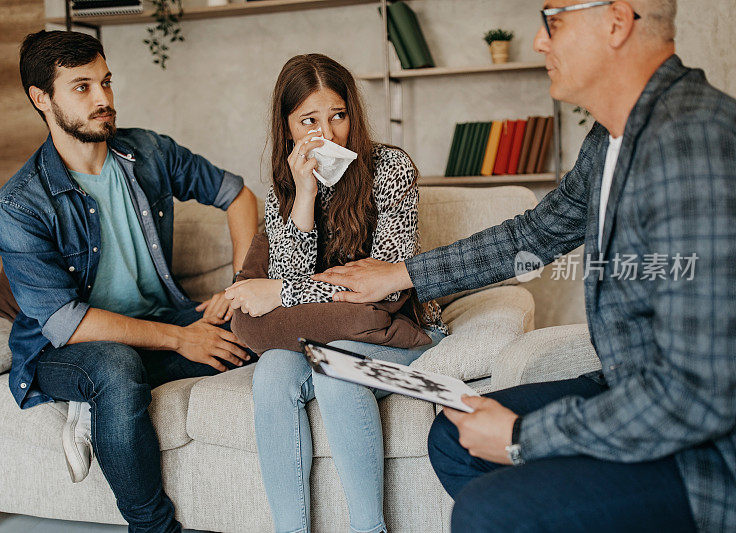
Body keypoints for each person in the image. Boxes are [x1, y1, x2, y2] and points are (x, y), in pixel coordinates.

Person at [314, 1, 736, 531]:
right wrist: (404, 274)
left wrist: (521, 438)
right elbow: (533, 235)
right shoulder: (608, 142)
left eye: (553, 20)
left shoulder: (691, 142)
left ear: (617, 21)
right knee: (454, 436)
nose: (539, 41)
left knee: (488, 512)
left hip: (705, 456)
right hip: (633, 389)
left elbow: (698, 394)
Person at [0, 30, 258, 532]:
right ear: (41, 99)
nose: (103, 99)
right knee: (115, 366)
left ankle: (99, 408)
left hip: (154, 321)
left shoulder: (148, 152)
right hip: (63, 351)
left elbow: (239, 196)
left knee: (255, 335)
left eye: (106, 82)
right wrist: (182, 339)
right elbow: (65, 323)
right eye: (82, 87)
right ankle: (152, 526)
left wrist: (239, 288)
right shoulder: (17, 205)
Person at [223, 54, 448, 533]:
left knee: (336, 363)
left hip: (405, 327)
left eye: (338, 116)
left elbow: (384, 291)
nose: (328, 134)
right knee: (273, 370)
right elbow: (288, 279)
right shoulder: (282, 190)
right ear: (287, 128)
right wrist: (303, 195)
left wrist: (282, 293)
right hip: (327, 327)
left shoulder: (390, 169)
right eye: (309, 120)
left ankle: (370, 529)